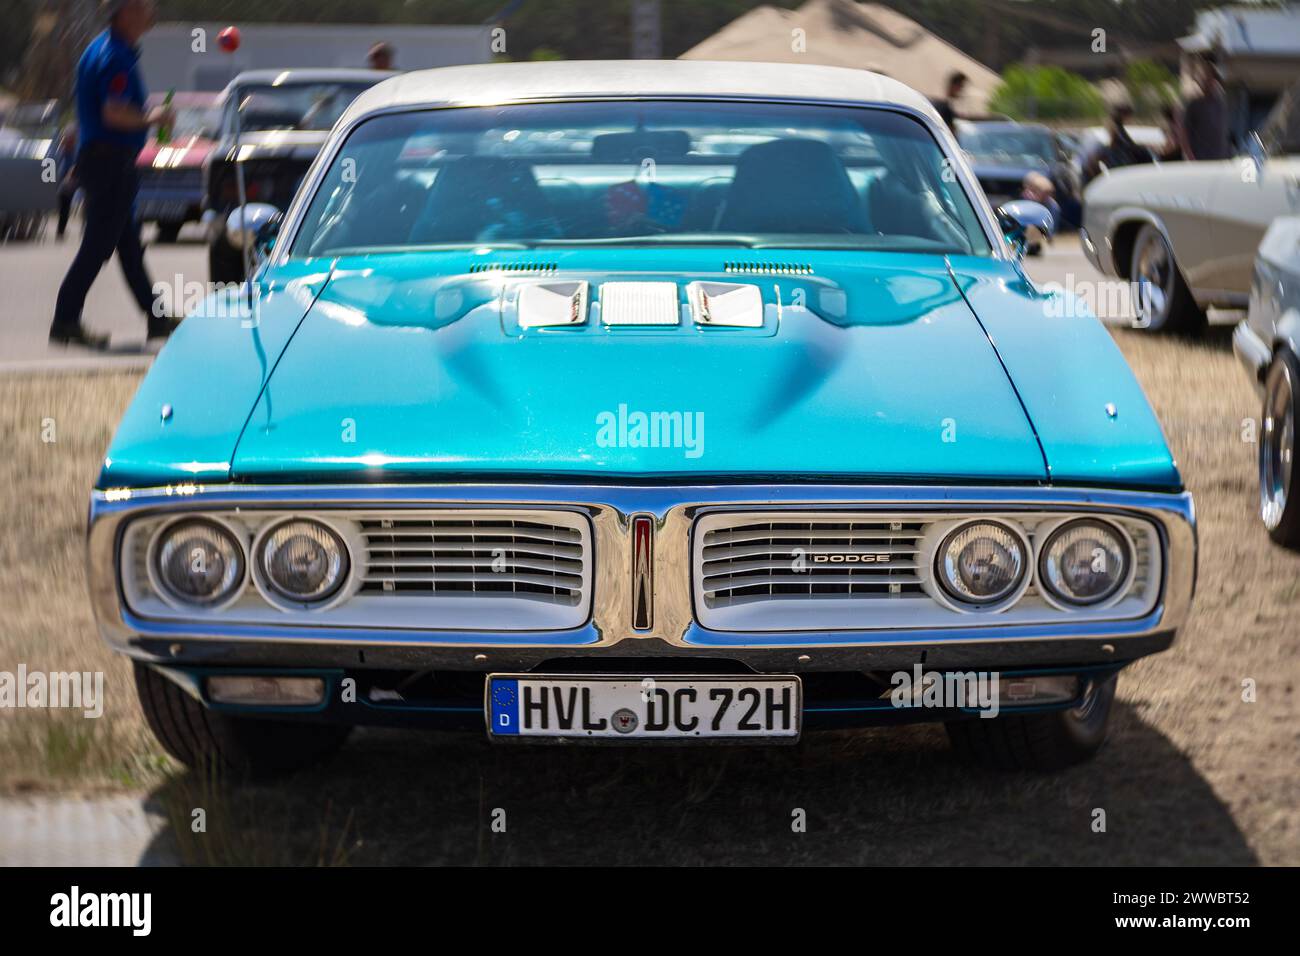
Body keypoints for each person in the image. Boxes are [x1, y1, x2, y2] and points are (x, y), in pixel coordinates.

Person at [48, 0, 178, 350]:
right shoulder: (114, 56)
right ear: (125, 11)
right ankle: (65, 321)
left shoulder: (103, 48)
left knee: (128, 245)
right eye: (144, 6)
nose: (151, 12)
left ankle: (157, 318)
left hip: (105, 160)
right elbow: (114, 112)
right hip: (109, 163)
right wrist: (155, 118)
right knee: (98, 244)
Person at [1183, 55, 1231, 161]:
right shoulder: (1194, 104)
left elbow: (1223, 133)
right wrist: (1190, 156)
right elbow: (1184, 133)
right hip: (1201, 160)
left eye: (1210, 77)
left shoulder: (1220, 103)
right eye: (1203, 77)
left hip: (1220, 159)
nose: (1206, 80)